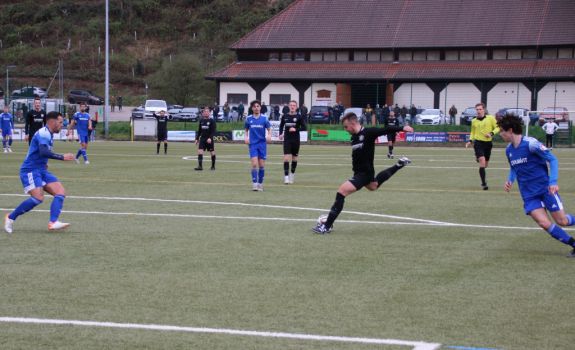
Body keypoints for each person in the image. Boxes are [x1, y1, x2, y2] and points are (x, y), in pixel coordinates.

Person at [312, 112, 414, 234]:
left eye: (346, 127)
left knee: (341, 192)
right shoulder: (354, 137)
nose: (345, 130)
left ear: (353, 123)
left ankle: (326, 226)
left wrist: (402, 128)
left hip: (364, 174)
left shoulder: (368, 133)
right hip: (360, 173)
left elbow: (386, 129)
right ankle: (399, 165)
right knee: (373, 186)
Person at [498, 114, 575, 257]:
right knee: (544, 223)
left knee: (562, 221)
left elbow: (553, 160)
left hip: (545, 189)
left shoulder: (531, 144)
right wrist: (510, 180)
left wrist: (553, 182)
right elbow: (514, 167)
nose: (500, 134)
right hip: (528, 194)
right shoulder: (508, 150)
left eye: (501, 130)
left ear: (510, 130)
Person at [4, 111, 75, 234]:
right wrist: (62, 157)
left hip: (41, 169)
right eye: (60, 122)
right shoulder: (43, 133)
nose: (62, 124)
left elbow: (40, 152)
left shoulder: (49, 133)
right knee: (38, 198)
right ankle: (10, 218)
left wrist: (44, 163)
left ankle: (53, 222)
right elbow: (43, 152)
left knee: (60, 192)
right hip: (30, 170)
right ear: (51, 121)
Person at [465, 102, 499, 190]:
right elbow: (472, 132)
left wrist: (491, 133)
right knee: (482, 162)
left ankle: (479, 157)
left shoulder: (490, 118)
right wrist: (470, 141)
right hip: (478, 143)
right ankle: (484, 183)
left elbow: (498, 127)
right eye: (477, 109)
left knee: (485, 165)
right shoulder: (474, 121)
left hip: (488, 144)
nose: (478, 111)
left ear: (484, 109)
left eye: (480, 109)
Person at [244, 100, 271, 191]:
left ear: (260, 107)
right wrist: (246, 137)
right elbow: (246, 130)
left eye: (258, 106)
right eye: (254, 106)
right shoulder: (248, 118)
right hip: (253, 144)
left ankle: (260, 183)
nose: (256, 108)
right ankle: (255, 184)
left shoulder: (264, 118)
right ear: (252, 108)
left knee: (262, 165)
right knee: (254, 164)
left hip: (262, 144)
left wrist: (269, 135)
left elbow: (269, 129)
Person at [279, 100, 307, 184]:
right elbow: (281, 125)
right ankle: (286, 177)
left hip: (296, 140)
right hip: (287, 139)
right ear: (288, 106)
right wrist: (280, 134)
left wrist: (295, 129)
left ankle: (292, 174)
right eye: (291, 105)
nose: (292, 107)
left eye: (294, 105)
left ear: (296, 107)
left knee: (294, 159)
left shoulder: (299, 117)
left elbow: (304, 128)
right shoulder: (285, 116)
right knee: (286, 158)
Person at [194, 106, 216, 170]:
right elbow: (199, 131)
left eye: (207, 112)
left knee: (212, 152)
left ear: (209, 113)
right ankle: (200, 166)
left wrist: (210, 138)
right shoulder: (201, 121)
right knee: (200, 151)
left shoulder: (212, 121)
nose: (206, 113)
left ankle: (213, 166)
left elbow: (213, 131)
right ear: (203, 113)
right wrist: (197, 139)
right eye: (205, 112)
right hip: (202, 139)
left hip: (209, 139)